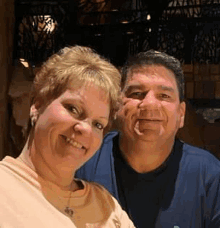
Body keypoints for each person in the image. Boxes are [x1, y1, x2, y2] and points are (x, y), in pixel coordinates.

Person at [77, 50, 220, 228]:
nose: (149, 104)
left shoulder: (209, 176)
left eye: (164, 96)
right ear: (117, 107)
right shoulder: (84, 159)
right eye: (137, 93)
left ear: (181, 115)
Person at [0, 46, 135, 228]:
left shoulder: (106, 205)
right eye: (73, 109)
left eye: (98, 124)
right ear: (37, 106)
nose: (85, 129)